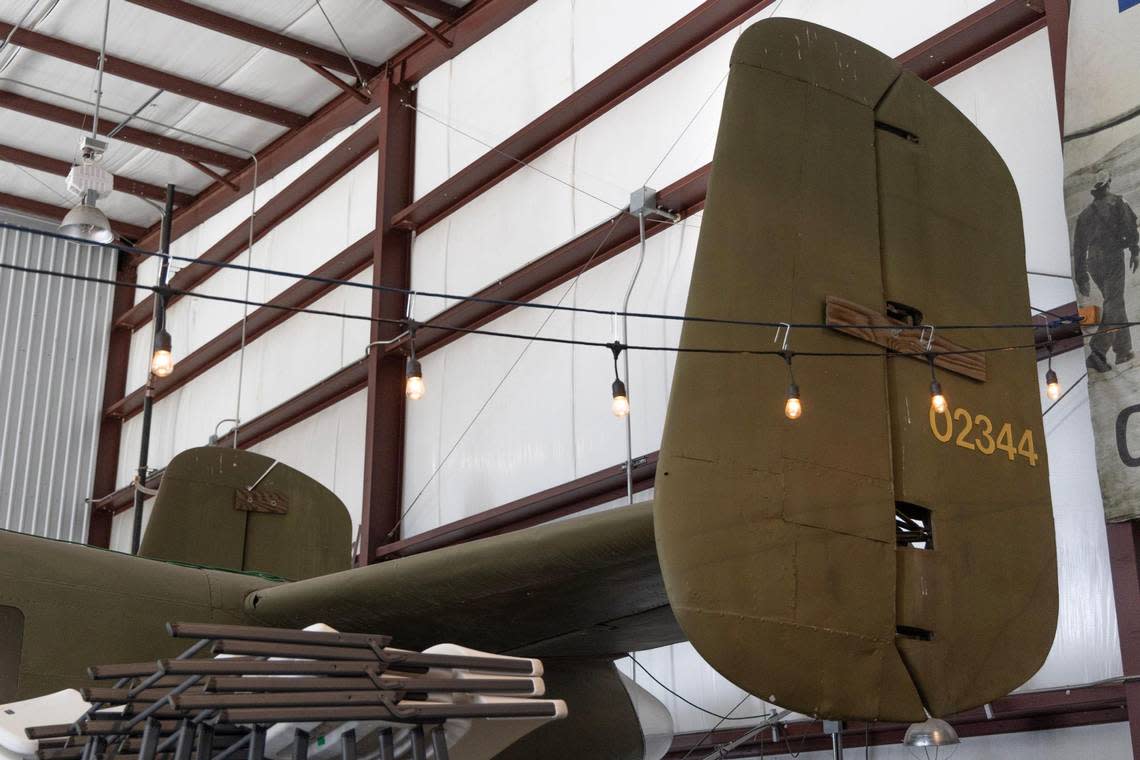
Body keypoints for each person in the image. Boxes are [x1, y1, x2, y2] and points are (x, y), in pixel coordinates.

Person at [1073, 172, 1140, 372]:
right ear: (1108, 184)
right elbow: (1130, 228)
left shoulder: (1084, 215)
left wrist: (1081, 275)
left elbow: (1078, 247)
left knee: (1114, 303)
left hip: (1093, 262)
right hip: (1112, 257)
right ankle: (1098, 350)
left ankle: (1123, 351)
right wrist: (1135, 251)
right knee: (1114, 302)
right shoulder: (1118, 202)